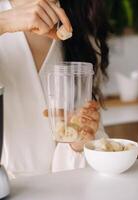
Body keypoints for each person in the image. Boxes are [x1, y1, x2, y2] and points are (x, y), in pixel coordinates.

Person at [0, 0, 109, 177]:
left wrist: (78, 144)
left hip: (65, 190)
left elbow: (96, 143)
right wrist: (4, 22)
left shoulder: (83, 29)